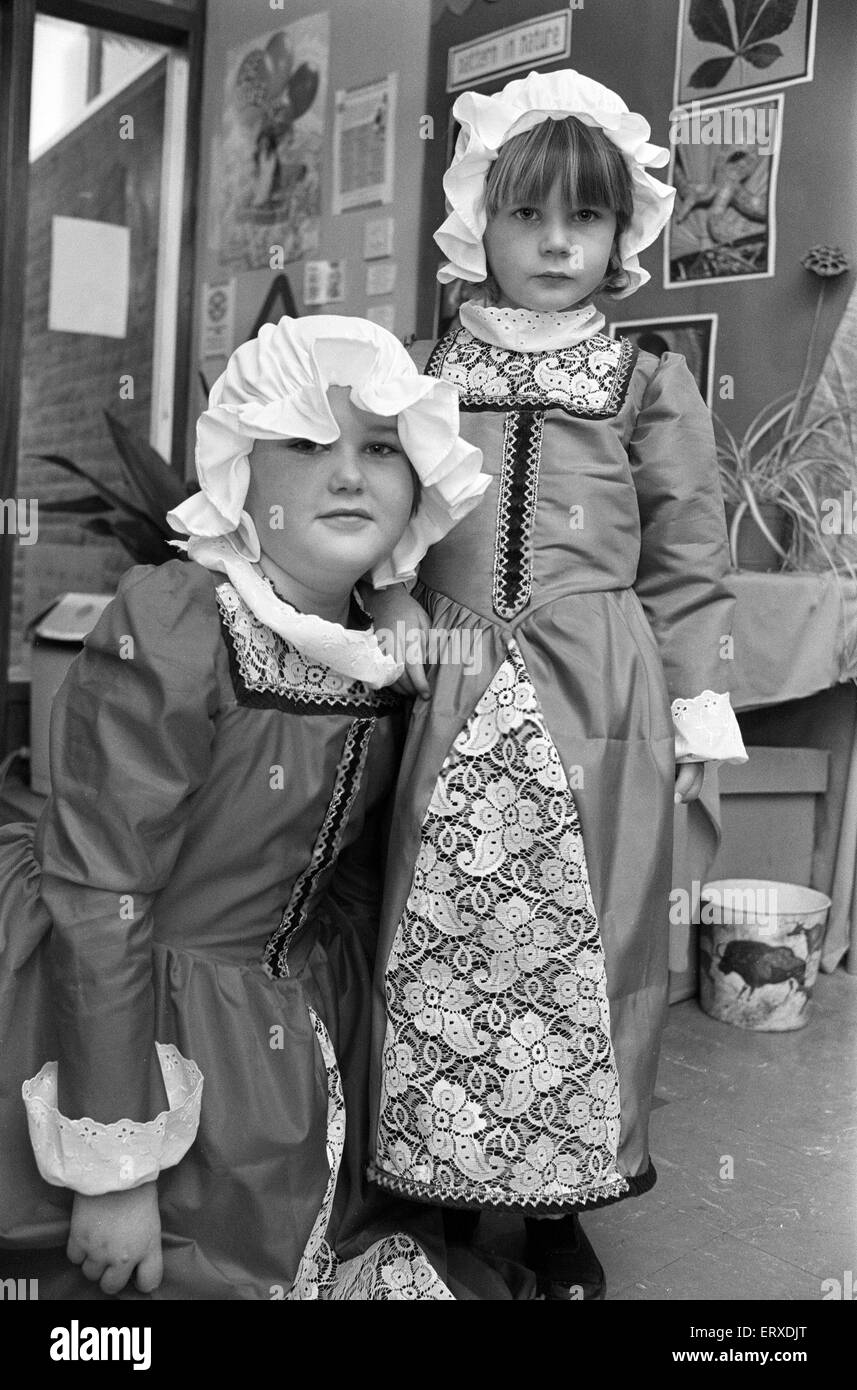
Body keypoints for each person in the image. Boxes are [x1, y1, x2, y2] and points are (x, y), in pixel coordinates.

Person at [0, 315, 492, 1301]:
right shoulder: (182, 623)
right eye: (305, 444)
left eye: (382, 447)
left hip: (286, 1004)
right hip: (129, 996)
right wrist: (115, 1166)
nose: (348, 474)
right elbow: (106, 895)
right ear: (241, 476)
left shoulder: (394, 644)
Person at [362, 70, 748, 1300]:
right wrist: (397, 618)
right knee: (444, 930)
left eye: (581, 219)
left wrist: (691, 708)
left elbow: (690, 559)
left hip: (602, 694)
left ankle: (559, 1202)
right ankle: (445, 1179)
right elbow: (384, 522)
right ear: (481, 218)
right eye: (527, 216)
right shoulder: (424, 370)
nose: (554, 242)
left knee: (597, 941)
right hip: (453, 677)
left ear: (618, 233)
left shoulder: (645, 383)